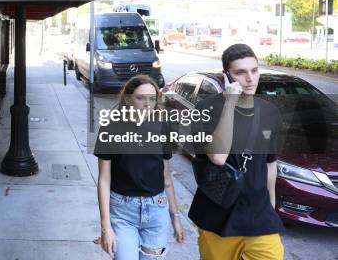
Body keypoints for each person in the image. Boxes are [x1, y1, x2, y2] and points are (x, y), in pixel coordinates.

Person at [188, 44, 285, 260]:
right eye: (241, 72)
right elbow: (218, 157)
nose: (250, 79)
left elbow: (270, 163)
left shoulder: (269, 112)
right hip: (218, 218)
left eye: (254, 70)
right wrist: (230, 102)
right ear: (226, 76)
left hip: (259, 218)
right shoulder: (206, 109)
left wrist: (271, 207)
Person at [95, 75, 185, 259]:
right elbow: (104, 179)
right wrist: (106, 227)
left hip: (157, 209)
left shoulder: (162, 127)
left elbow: (166, 176)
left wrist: (175, 216)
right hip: (122, 211)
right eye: (141, 98)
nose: (147, 104)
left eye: (152, 99)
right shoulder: (110, 127)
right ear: (128, 99)